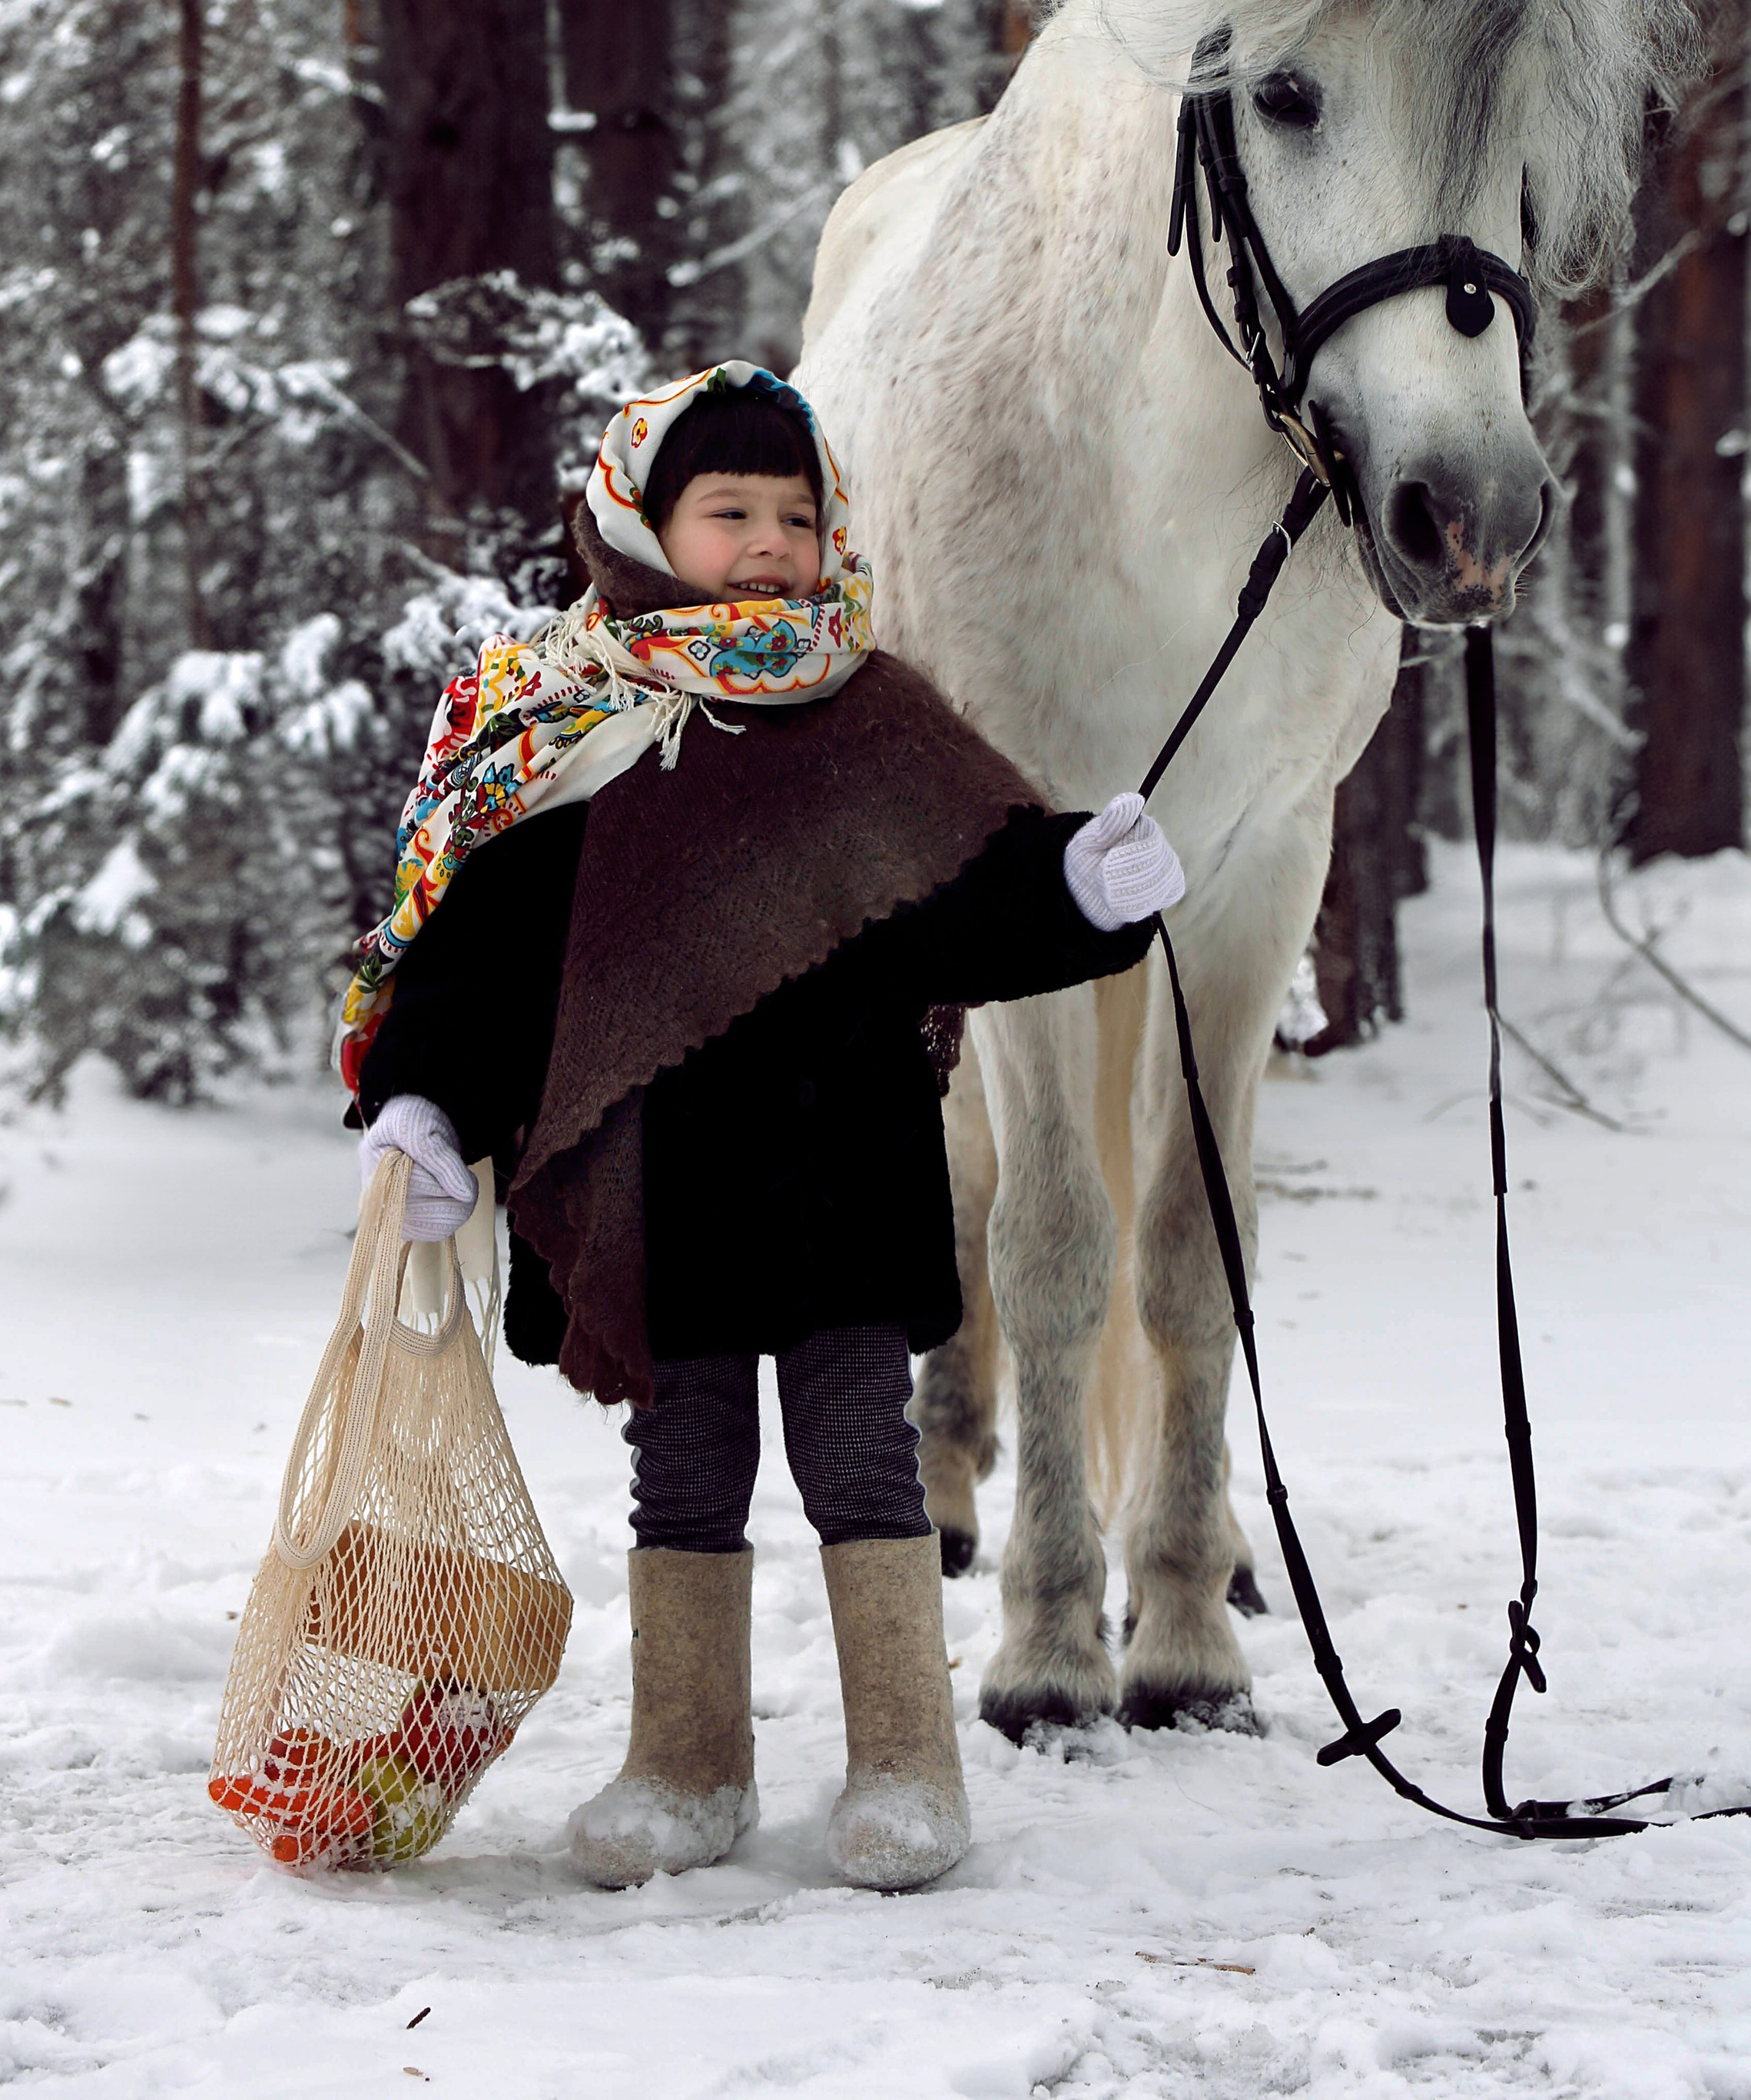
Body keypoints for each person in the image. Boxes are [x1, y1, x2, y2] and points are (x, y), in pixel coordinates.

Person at [337, 364, 1184, 1894]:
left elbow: (963, 902)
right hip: (662, 1196)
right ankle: (685, 1762)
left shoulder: (870, 720)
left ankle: (905, 1765)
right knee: (688, 1468)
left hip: (845, 1182)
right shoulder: (575, 727)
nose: (771, 543)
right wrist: (426, 1099)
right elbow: (485, 956)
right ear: (641, 521)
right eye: (729, 512)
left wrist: (1074, 889)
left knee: (867, 1457)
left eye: (797, 514)